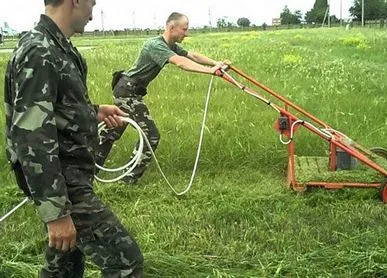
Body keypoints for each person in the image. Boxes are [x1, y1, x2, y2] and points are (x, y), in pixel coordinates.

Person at [4, 0, 144, 276]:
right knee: (125, 261)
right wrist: (56, 213)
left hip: (71, 177)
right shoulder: (39, 51)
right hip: (63, 182)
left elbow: (51, 109)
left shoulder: (58, 48)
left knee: (64, 267)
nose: (93, 11)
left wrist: (93, 111)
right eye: (92, 2)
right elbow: (32, 137)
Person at [95, 12, 229, 184]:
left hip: (130, 91)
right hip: (127, 92)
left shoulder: (170, 45)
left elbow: (191, 56)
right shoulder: (155, 45)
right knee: (151, 136)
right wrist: (210, 71)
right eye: (184, 29)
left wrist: (216, 63)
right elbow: (180, 62)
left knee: (111, 131)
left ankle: (88, 168)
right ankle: (128, 179)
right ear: (172, 27)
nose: (186, 34)